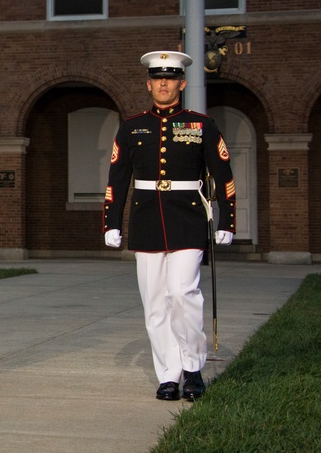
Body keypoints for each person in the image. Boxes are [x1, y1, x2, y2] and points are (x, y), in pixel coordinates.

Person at [103, 50, 236, 402]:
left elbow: (223, 175)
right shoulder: (131, 126)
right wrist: (112, 221)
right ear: (149, 84)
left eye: (171, 77)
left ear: (182, 83)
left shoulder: (201, 124)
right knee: (155, 305)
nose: (164, 83)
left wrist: (229, 220)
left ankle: (193, 368)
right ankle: (168, 376)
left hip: (188, 219)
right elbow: (117, 177)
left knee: (182, 293)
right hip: (146, 220)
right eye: (158, 78)